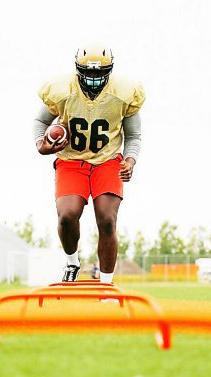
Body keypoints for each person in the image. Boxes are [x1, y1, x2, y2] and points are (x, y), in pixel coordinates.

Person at [34, 43, 145, 283]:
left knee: (106, 218)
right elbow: (39, 122)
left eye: (99, 73)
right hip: (71, 160)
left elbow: (134, 136)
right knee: (66, 215)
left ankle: (105, 283)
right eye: (89, 72)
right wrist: (41, 144)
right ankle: (72, 262)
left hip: (107, 160)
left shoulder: (124, 92)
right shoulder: (62, 90)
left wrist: (130, 160)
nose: (93, 78)